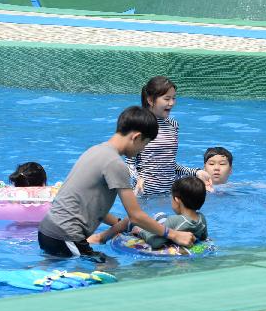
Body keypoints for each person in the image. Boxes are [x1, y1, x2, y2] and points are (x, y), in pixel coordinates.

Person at [38, 106, 195, 262]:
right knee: (111, 267)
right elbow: (136, 216)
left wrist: (118, 225)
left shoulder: (95, 150)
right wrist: (174, 234)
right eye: (145, 144)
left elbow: (87, 204)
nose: (143, 149)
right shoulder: (115, 164)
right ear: (136, 137)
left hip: (47, 231)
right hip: (65, 237)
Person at [126, 76, 211, 198]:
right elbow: (129, 164)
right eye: (167, 98)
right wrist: (138, 179)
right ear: (150, 100)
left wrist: (196, 172)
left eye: (174, 98)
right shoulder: (138, 125)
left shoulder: (173, 125)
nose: (171, 103)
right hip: (144, 196)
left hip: (170, 195)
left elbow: (170, 165)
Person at [100, 176, 208, 249]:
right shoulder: (201, 218)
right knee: (161, 215)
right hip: (171, 229)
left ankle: (103, 236)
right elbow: (203, 238)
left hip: (157, 236)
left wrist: (140, 231)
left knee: (131, 221)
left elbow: (155, 241)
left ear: (177, 200)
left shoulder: (174, 221)